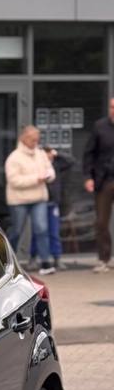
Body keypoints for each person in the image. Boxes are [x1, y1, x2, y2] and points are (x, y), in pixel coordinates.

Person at [4, 125, 55, 274]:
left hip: (39, 198)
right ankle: (7, 261)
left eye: (37, 140)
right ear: (23, 139)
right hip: (18, 200)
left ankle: (45, 262)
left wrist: (48, 176)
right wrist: (36, 179)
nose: (35, 143)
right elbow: (14, 181)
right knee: (16, 231)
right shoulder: (14, 158)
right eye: (32, 140)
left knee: (42, 229)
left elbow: (50, 171)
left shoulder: (41, 154)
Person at [83, 96, 114, 272]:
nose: (113, 110)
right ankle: (104, 258)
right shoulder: (100, 127)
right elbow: (89, 153)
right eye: (112, 107)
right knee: (101, 222)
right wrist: (88, 177)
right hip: (104, 180)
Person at [45, 148, 72, 271]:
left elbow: (71, 161)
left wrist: (57, 154)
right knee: (38, 232)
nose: (48, 156)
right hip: (39, 201)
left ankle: (57, 258)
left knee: (54, 231)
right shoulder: (37, 164)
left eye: (50, 154)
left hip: (53, 202)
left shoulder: (56, 164)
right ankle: (34, 258)